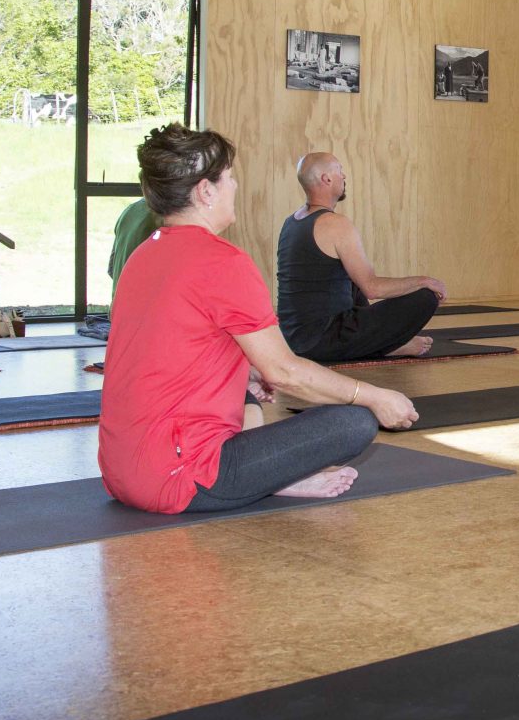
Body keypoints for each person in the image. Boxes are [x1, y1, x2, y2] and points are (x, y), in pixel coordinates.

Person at [99, 126, 418, 514]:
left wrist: (245, 372)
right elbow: (285, 372)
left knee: (247, 391)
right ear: (206, 191)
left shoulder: (143, 256)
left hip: (121, 472)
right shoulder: (222, 260)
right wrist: (374, 396)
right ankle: (276, 478)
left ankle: (275, 476)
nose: (234, 186)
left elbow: (163, 350)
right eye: (229, 177)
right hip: (182, 477)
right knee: (355, 422)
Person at [274, 152, 444, 364]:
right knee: (426, 297)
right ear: (327, 179)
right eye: (339, 170)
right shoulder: (335, 224)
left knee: (350, 278)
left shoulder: (291, 222)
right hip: (322, 342)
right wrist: (424, 281)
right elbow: (373, 288)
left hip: (291, 339)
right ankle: (387, 346)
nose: (344, 176)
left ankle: (381, 344)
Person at [77, 198, 159, 341]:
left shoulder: (130, 210)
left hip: (118, 313)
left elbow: (111, 268)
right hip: (144, 320)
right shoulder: (169, 218)